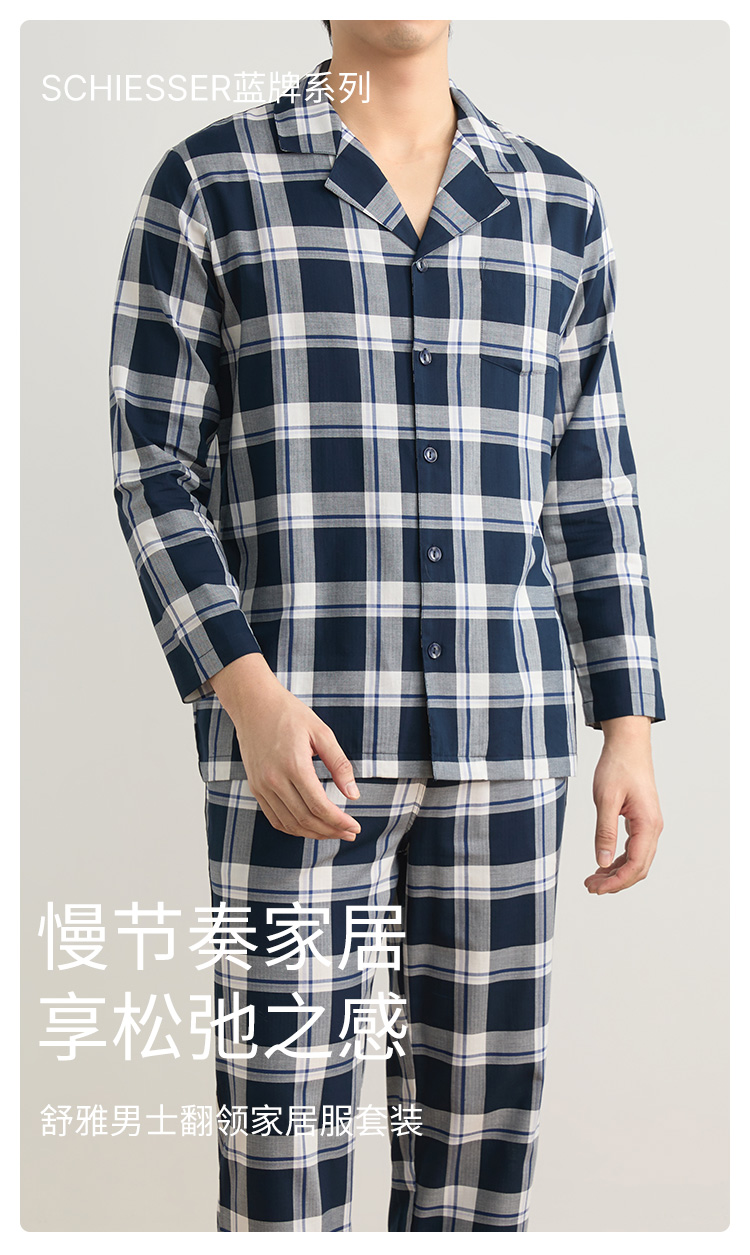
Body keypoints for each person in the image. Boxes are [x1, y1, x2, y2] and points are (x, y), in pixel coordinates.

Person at [109, 19, 666, 1233]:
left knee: (478, 1158)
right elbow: (153, 465)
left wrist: (625, 723)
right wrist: (247, 695)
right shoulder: (211, 183)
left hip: (506, 747)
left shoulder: (559, 206)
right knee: (279, 1150)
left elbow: (590, 478)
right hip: (292, 749)